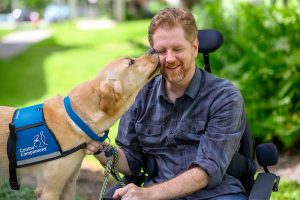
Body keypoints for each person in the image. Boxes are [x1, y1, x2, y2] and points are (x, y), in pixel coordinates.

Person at [86, 7, 247, 200]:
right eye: (161, 51)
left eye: (177, 49)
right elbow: (132, 161)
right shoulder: (139, 96)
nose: (169, 58)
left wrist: (148, 194)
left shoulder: (224, 97)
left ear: (194, 48)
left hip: (216, 195)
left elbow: (207, 170)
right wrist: (99, 148)